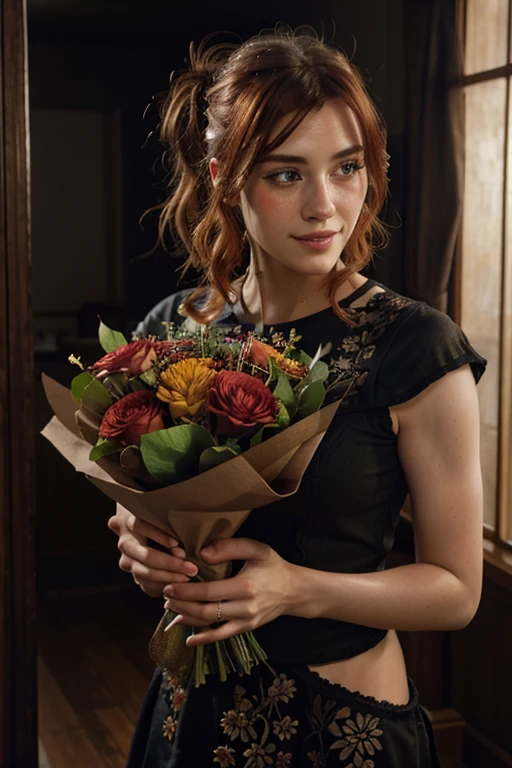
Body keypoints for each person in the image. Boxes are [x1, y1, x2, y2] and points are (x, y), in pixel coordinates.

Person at [108, 27, 487, 767]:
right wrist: (138, 544)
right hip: (187, 718)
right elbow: (136, 507)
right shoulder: (176, 330)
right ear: (224, 177)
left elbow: (455, 592)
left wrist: (294, 590)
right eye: (287, 175)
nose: (326, 206)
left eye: (346, 168)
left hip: (343, 728)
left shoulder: (416, 346)